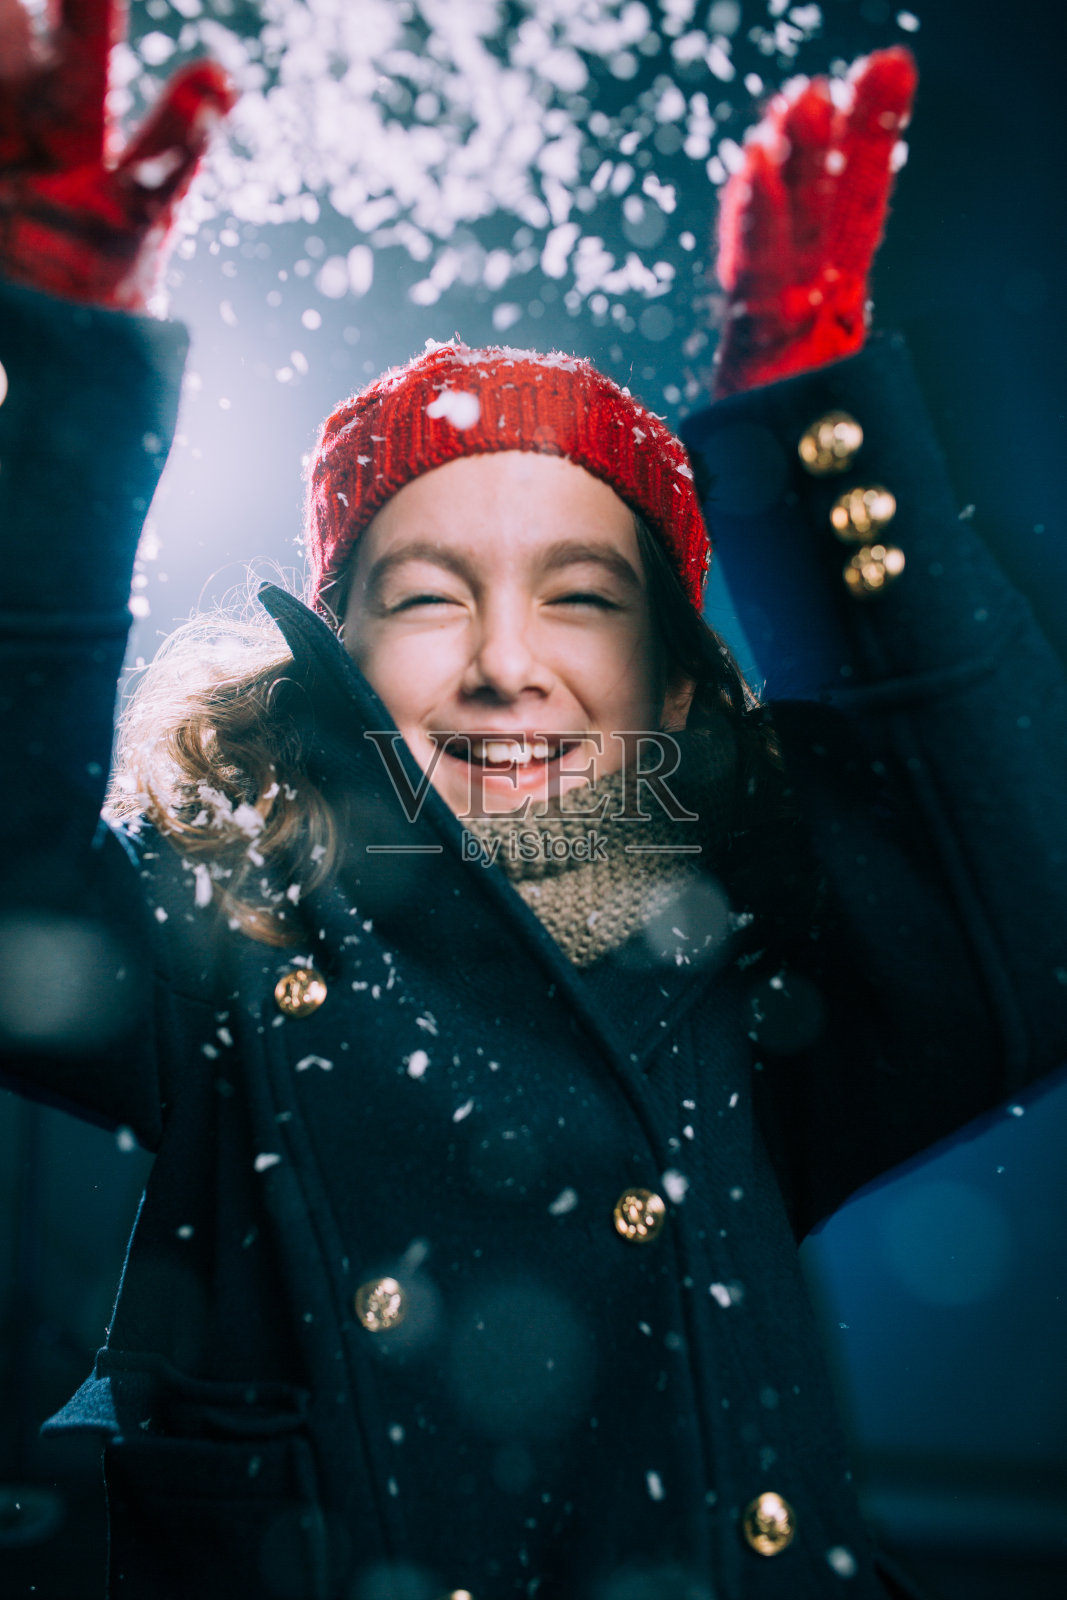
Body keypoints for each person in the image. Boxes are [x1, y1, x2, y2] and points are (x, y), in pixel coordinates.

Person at [1, 3, 1066, 1598]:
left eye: (581, 599)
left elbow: (1032, 915)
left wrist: (814, 419)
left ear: (678, 688)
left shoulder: (751, 978)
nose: (507, 664)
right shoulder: (228, 947)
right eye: (429, 598)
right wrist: (55, 378)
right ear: (335, 670)